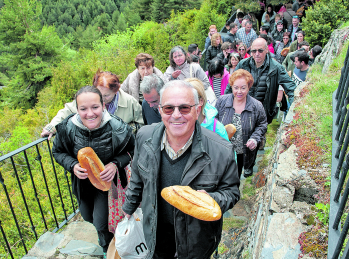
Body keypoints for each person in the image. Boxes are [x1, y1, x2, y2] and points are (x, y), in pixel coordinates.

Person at [122, 80, 240, 259]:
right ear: (160, 110)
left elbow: (231, 192)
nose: (176, 115)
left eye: (184, 108)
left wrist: (210, 199)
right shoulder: (144, 137)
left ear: (197, 109)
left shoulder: (221, 150)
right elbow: (138, 176)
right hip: (155, 233)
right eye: (169, 108)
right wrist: (129, 205)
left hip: (196, 239)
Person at [52, 85, 135, 255]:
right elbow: (58, 151)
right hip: (82, 184)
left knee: (101, 223)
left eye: (95, 107)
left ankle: (108, 249)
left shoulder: (118, 127)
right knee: (88, 217)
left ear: (103, 106)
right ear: (77, 109)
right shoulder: (67, 127)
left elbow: (133, 151)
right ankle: (107, 241)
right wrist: (72, 165)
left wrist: (115, 164)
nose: (90, 114)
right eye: (83, 109)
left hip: (108, 185)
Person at [41, 71, 143, 140]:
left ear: (116, 91)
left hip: (121, 150)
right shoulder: (88, 97)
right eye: (99, 94)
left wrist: (122, 131)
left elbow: (141, 125)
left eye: (106, 95)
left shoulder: (130, 102)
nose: (101, 99)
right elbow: (67, 110)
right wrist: (52, 127)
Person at [225, 38, 296, 124]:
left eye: (260, 50)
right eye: (254, 51)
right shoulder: (243, 64)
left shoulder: (276, 68)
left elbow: (291, 89)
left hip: (263, 114)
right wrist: (226, 107)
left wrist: (295, 111)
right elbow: (230, 85)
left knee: (258, 136)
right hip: (243, 110)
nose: (257, 54)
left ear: (266, 50)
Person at [216, 70, 267, 178]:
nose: (239, 91)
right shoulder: (222, 101)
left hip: (241, 153)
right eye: (236, 88)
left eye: (243, 88)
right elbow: (214, 121)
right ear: (231, 86)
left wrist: (254, 138)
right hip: (222, 151)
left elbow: (262, 124)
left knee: (235, 179)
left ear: (249, 87)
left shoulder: (256, 106)